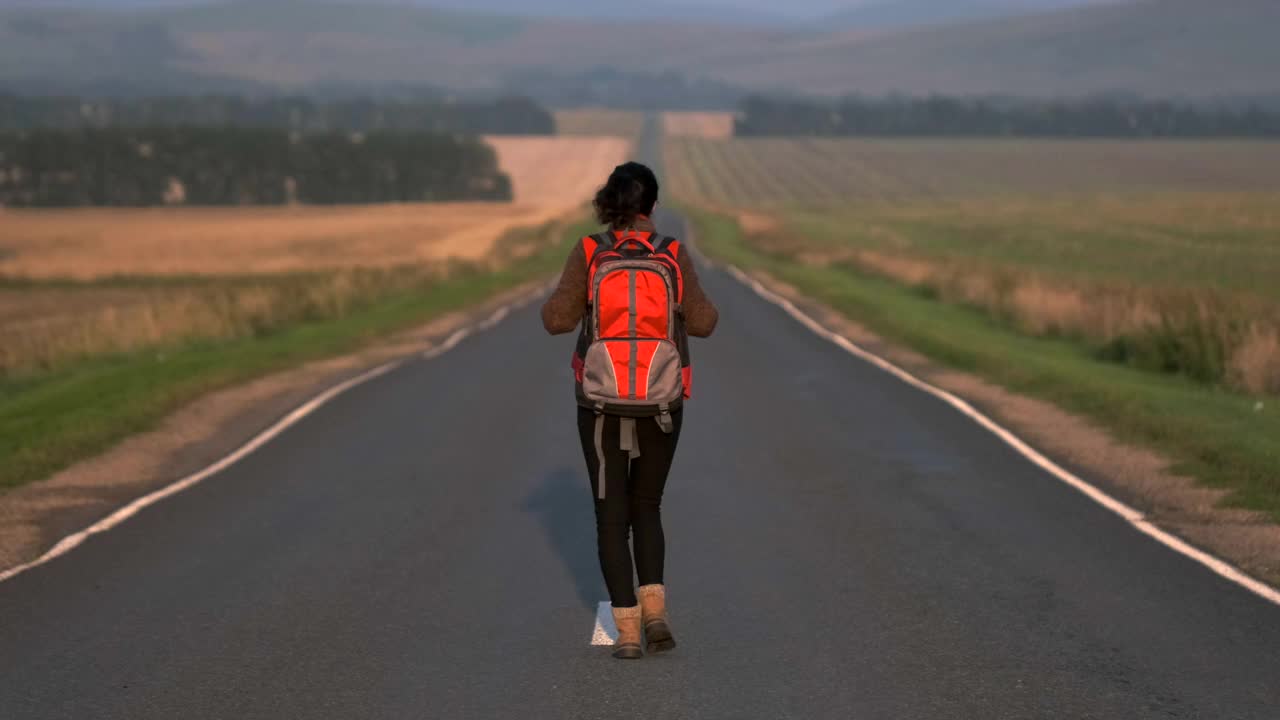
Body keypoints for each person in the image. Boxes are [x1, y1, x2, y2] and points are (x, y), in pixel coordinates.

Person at [541, 162, 718, 659]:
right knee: (648, 507)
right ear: (652, 206)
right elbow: (704, 323)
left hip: (599, 402)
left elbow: (557, 320)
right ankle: (657, 612)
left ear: (608, 203)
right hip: (663, 401)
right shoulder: (672, 254)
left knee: (610, 516)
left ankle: (627, 632)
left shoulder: (590, 252)